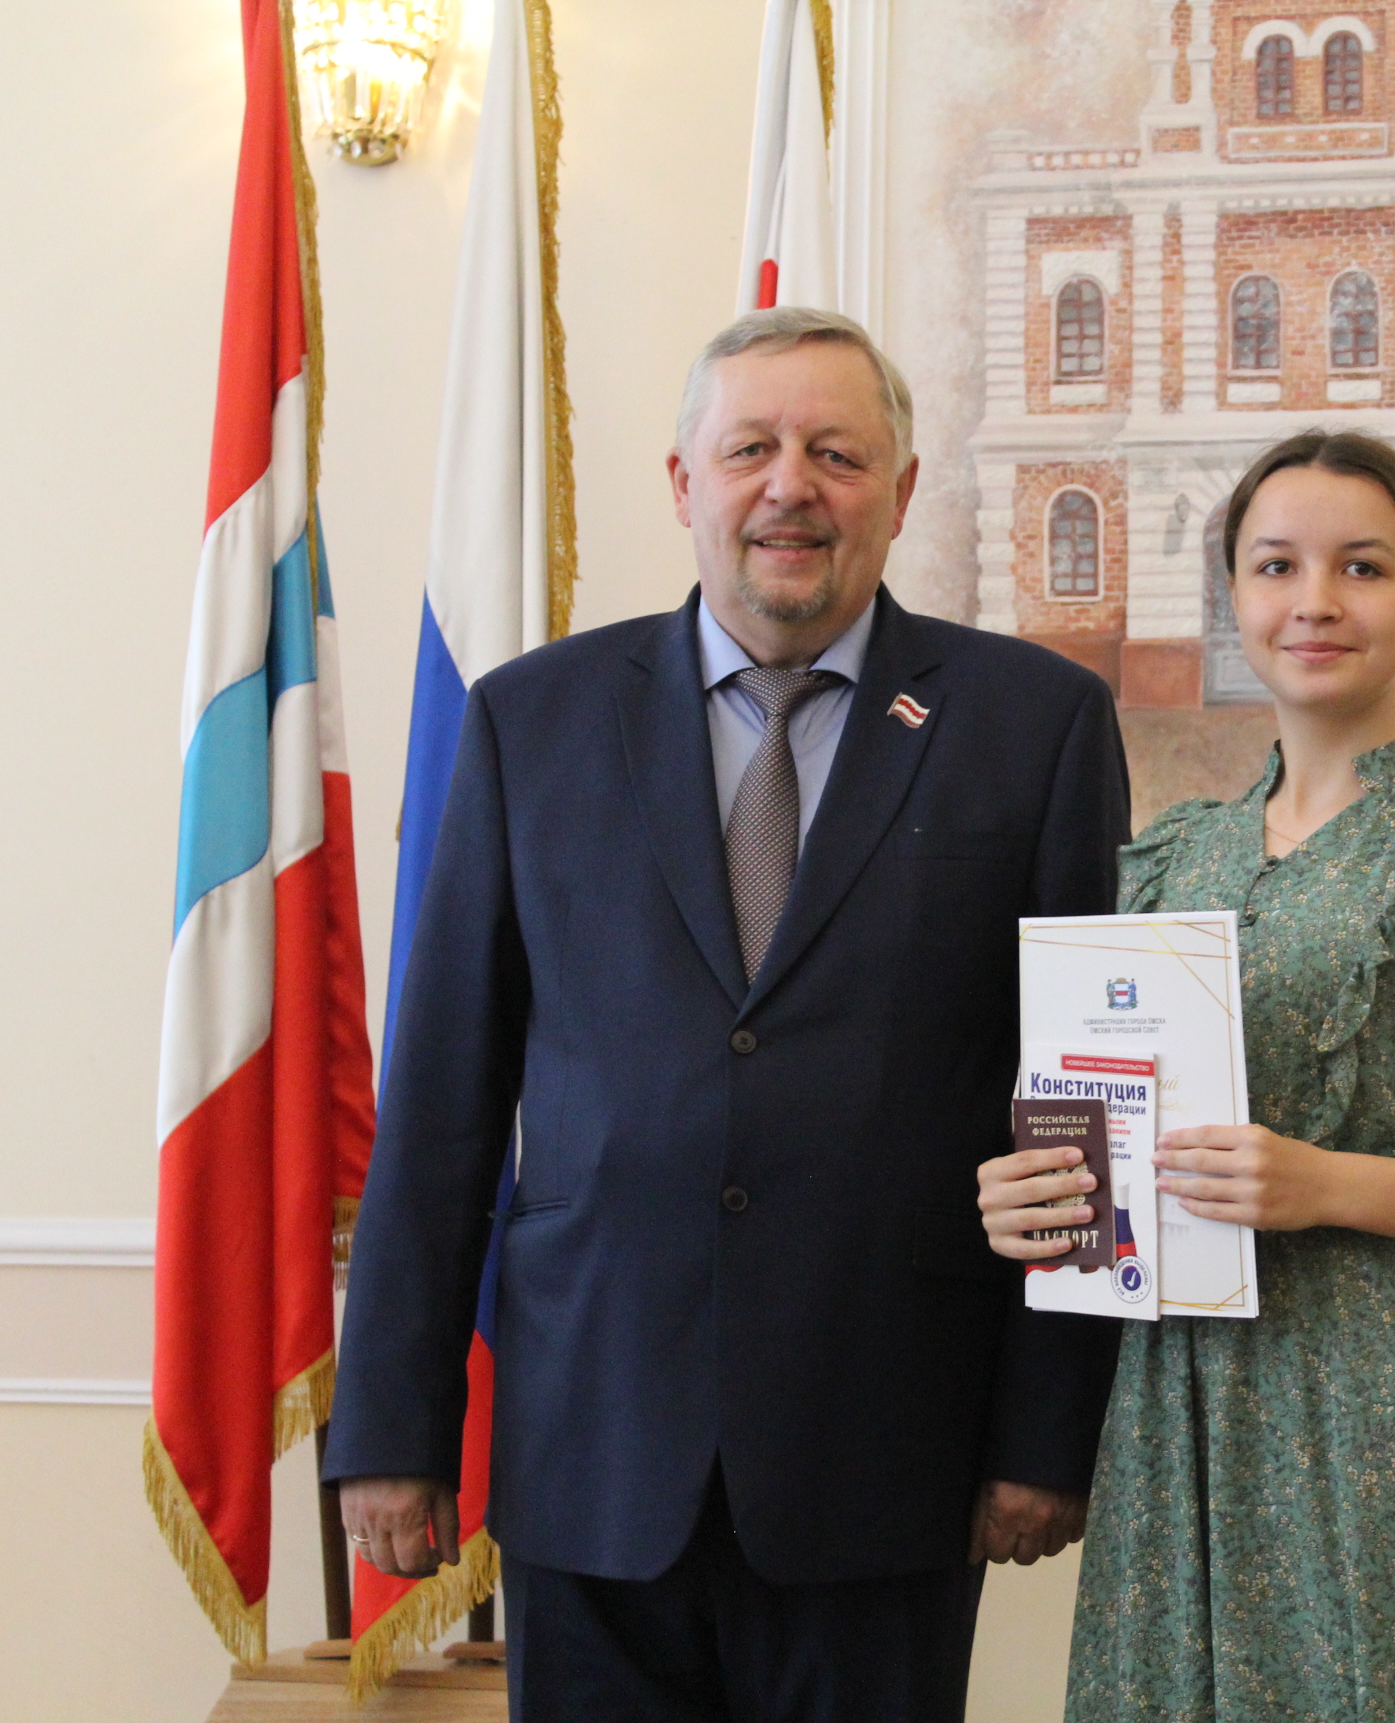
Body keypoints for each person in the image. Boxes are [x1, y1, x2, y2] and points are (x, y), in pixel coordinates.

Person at [325, 307, 1129, 1723]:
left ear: (901, 490)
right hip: (593, 1447)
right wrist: (393, 1425)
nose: (789, 488)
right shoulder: (531, 720)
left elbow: (1081, 1097)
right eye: (750, 449)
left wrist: (1046, 1430)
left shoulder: (1037, 723)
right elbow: (445, 1096)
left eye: (836, 454)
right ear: (684, 482)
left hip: (889, 1451)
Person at [977, 429, 1395, 1723]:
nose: (1316, 601)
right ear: (1235, 597)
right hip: (1168, 1423)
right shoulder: (1166, 863)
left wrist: (1327, 1184)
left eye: (1363, 568)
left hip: (1377, 1417)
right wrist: (1031, 1195)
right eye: (1277, 565)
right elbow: (1104, 1151)